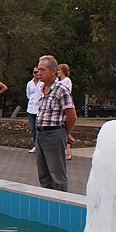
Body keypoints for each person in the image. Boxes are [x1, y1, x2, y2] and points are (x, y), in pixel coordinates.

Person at [35, 55, 77, 191]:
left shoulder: (61, 90)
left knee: (57, 175)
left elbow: (72, 116)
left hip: (54, 134)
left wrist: (65, 133)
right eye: (38, 70)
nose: (39, 73)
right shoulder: (42, 89)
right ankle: (47, 200)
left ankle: (61, 201)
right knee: (44, 175)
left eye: (43, 70)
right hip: (40, 134)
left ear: (53, 71)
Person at [57, 63, 73, 160]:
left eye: (59, 70)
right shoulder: (59, 81)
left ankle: (68, 151)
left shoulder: (66, 81)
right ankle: (66, 150)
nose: (57, 71)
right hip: (60, 107)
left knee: (65, 128)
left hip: (64, 107)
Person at [26, 66, 42, 153]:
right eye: (35, 72)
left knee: (38, 127)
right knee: (32, 128)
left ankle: (38, 145)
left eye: (38, 72)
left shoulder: (42, 83)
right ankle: (35, 145)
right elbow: (28, 95)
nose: (37, 74)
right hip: (31, 108)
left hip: (39, 108)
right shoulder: (30, 83)